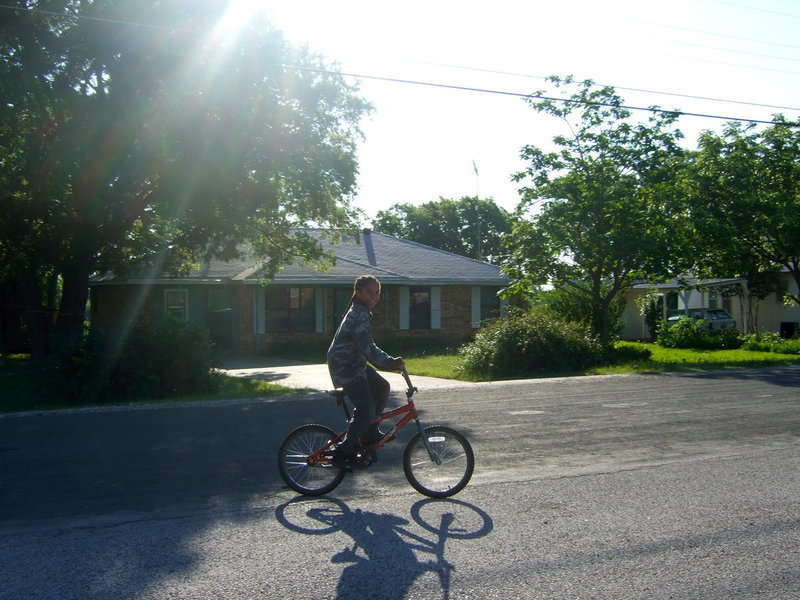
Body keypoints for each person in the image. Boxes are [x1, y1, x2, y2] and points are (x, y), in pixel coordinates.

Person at [327, 274, 405, 465]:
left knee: (382, 387)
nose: (374, 296)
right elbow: (367, 347)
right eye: (370, 292)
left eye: (377, 292)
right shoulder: (358, 313)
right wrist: (390, 362)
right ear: (358, 292)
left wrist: (389, 362)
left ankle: (369, 433)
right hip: (345, 367)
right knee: (367, 409)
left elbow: (368, 345)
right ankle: (343, 451)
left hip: (356, 364)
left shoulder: (361, 311)